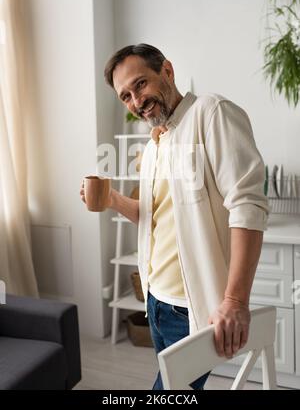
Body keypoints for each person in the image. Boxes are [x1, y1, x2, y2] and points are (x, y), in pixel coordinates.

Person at [80, 43, 269, 390]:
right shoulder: (155, 145)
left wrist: (235, 301)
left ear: (166, 71)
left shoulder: (211, 113)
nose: (136, 101)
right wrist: (110, 199)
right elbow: (154, 217)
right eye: (125, 96)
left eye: (140, 84)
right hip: (156, 301)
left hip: (190, 307)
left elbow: (247, 206)